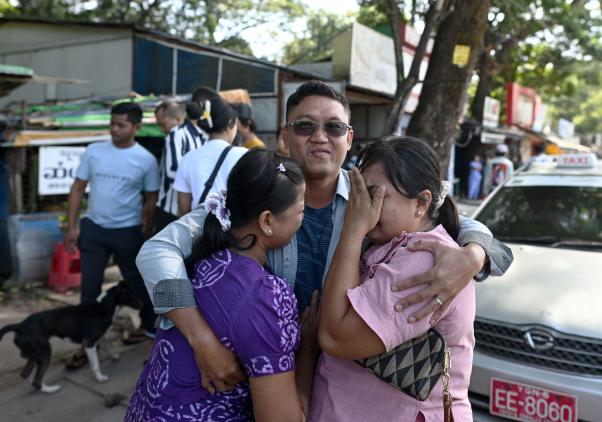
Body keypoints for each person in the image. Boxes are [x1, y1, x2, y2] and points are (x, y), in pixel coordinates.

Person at [136, 81, 513, 395]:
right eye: (304, 126)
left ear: (349, 138)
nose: (320, 137)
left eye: (333, 128)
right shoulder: (256, 194)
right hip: (249, 373)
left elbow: (449, 214)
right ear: (285, 137)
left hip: (335, 381)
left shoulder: (374, 196)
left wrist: (474, 255)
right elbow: (157, 250)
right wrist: (200, 337)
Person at [124, 149, 316, 422]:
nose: (303, 218)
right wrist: (308, 349)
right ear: (267, 221)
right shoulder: (267, 298)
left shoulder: (201, 252)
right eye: (300, 211)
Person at [311, 136, 475, 422]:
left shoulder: (425, 260)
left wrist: (353, 229)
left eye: (375, 195)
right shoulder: (387, 242)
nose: (360, 206)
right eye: (358, 194)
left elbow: (336, 337)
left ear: (421, 203)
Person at [64, 101, 160, 356]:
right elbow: (77, 188)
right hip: (94, 229)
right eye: (112, 124)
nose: (114, 129)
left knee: (138, 285)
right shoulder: (94, 151)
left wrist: (147, 232)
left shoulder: (146, 160)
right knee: (89, 290)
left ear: (136, 127)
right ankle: (87, 344)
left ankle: (148, 328)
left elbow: (151, 200)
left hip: (127, 233)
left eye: (121, 125)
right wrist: (70, 226)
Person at [173, 95, 247, 216]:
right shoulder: (244, 155)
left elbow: (183, 210)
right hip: (233, 230)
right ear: (230, 124)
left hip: (200, 232)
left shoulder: (188, 159)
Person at [154, 100, 188, 231]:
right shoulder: (197, 135)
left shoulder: (174, 135)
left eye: (163, 124)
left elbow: (172, 173)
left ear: (178, 119)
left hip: (170, 209)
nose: (162, 129)